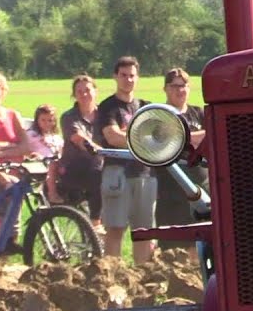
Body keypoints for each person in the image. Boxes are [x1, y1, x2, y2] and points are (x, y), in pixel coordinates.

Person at [94, 55, 157, 264]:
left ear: (138, 78)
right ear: (115, 76)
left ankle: (142, 277)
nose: (128, 80)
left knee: (143, 231)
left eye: (132, 75)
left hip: (144, 174)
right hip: (117, 173)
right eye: (123, 75)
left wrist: (129, 135)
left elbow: (158, 138)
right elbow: (113, 137)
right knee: (115, 228)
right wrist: (142, 139)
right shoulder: (107, 107)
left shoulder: (146, 107)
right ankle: (113, 275)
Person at [154, 67, 208, 251]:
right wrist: (194, 137)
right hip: (172, 186)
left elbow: (212, 134)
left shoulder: (198, 113)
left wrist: (184, 138)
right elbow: (171, 140)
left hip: (200, 183)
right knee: (174, 243)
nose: (180, 90)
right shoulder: (160, 115)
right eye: (175, 86)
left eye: (184, 85)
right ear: (166, 89)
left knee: (200, 238)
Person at [57, 74, 104, 229]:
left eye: (87, 90)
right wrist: (99, 150)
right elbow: (79, 139)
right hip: (75, 167)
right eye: (79, 91)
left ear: (95, 91)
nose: (84, 94)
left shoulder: (104, 115)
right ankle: (96, 222)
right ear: (74, 95)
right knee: (96, 170)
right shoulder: (69, 117)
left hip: (101, 162)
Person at [0, 69, 31, 160]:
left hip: (17, 168)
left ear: (3, 90)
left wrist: (1, 153)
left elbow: (26, 147)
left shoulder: (13, 115)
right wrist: (12, 146)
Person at [25, 104, 65, 202]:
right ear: (37, 120)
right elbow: (24, 148)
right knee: (51, 163)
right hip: (40, 162)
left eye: (50, 120)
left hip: (58, 161)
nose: (47, 123)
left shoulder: (55, 137)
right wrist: (32, 154)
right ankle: (52, 193)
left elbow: (62, 149)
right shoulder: (31, 135)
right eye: (43, 120)